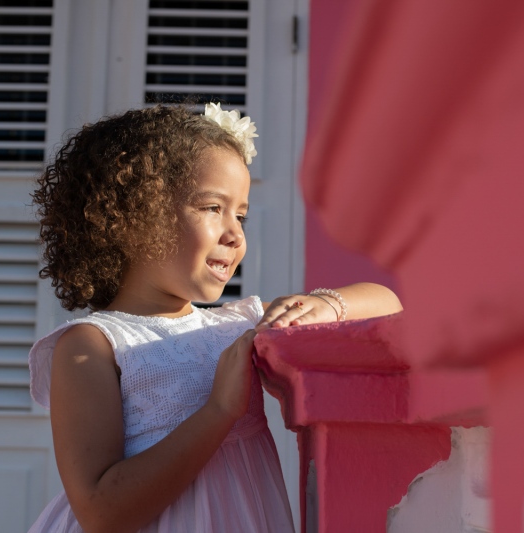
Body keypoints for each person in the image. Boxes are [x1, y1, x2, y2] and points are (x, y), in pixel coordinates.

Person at [27, 103, 403, 533]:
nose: (236, 234)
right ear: (131, 218)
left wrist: (323, 304)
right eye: (211, 208)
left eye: (240, 214)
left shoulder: (238, 326)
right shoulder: (92, 345)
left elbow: (387, 302)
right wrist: (220, 410)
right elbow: (101, 511)